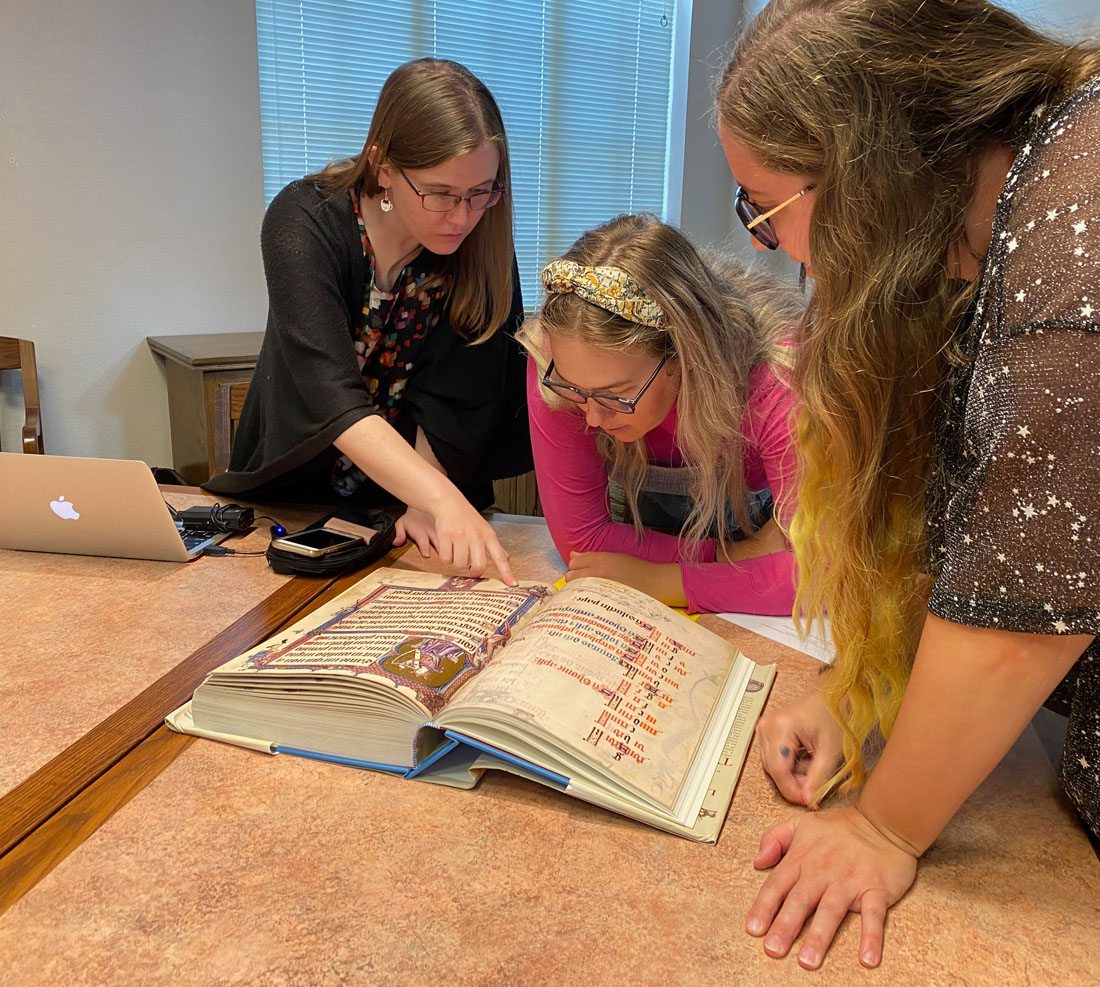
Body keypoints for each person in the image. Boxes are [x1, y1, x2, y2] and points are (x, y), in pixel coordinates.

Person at [716, 0, 1100, 971]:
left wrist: (882, 829)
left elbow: (1026, 599)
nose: (762, 246)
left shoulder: (1078, 207)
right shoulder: (992, 229)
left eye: (760, 206)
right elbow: (956, 528)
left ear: (868, 166)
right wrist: (858, 696)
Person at [204, 59, 531, 583]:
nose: (463, 217)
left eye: (481, 192)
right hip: (295, 505)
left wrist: (426, 499)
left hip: (414, 509)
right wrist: (440, 499)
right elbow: (331, 395)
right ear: (382, 166)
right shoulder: (304, 222)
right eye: (441, 193)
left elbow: (457, 401)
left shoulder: (479, 244)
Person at [520, 213, 802, 614]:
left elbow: (821, 576)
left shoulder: (777, 374)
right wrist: (747, 558)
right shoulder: (558, 361)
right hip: (723, 553)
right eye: (576, 392)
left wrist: (665, 580)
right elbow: (584, 542)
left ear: (682, 356)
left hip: (741, 532)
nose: (594, 420)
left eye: (617, 395)